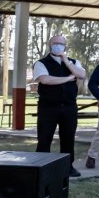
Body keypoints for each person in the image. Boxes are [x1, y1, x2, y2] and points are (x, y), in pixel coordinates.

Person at [33, 34, 87, 177]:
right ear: (50, 45)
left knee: (68, 138)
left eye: (61, 43)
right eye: (55, 43)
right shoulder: (41, 63)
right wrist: (69, 78)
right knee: (44, 138)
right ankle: (41, 167)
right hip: (48, 107)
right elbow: (45, 80)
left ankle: (68, 167)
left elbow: (81, 75)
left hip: (69, 107)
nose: (58, 45)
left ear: (65, 46)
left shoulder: (74, 62)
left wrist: (66, 61)